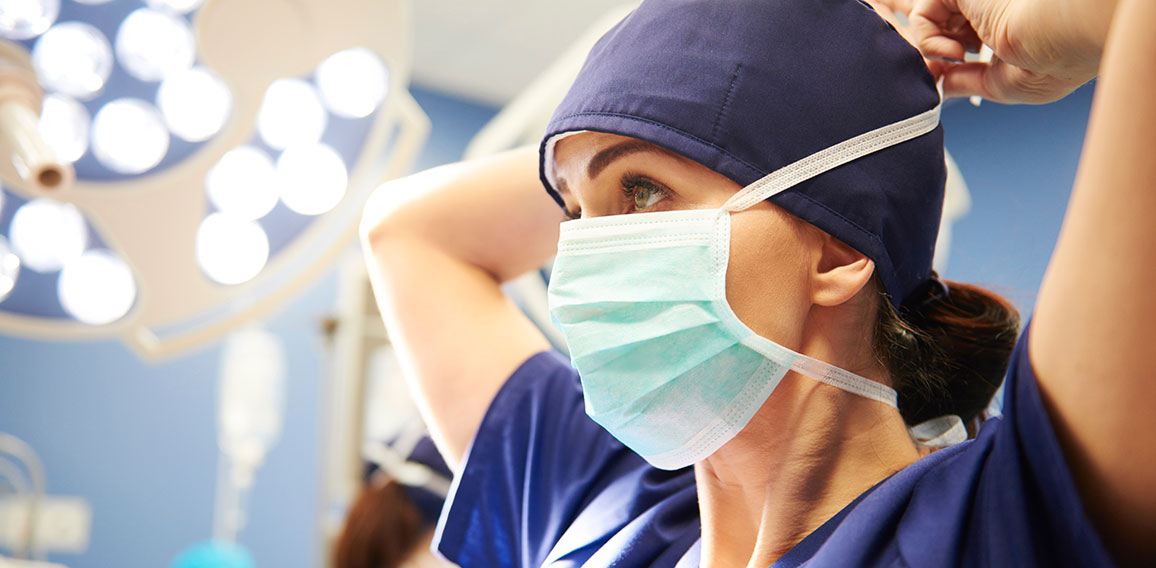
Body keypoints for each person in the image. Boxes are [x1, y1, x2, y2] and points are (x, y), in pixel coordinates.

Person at [360, 0, 1155, 565]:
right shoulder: (601, 516)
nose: (584, 257)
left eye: (641, 193)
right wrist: (620, 125)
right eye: (574, 214)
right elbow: (408, 234)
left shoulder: (992, 525)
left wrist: (1076, 18)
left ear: (839, 253)